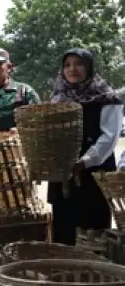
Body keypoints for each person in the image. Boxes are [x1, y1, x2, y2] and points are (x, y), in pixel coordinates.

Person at [48, 48, 123, 246]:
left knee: (92, 229)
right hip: (63, 173)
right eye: (67, 64)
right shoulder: (57, 99)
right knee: (64, 228)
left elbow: (109, 137)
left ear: (89, 67)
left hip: (94, 172)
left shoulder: (107, 98)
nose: (72, 69)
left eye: (79, 63)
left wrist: (84, 162)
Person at [0, 47, 40, 135]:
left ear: (9, 67)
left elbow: (38, 123)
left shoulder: (24, 92)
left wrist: (21, 131)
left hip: (20, 146)